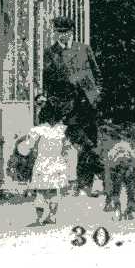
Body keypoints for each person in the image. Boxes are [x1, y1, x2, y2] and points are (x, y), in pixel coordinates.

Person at [41, 15, 103, 195]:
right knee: (83, 145)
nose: (63, 36)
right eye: (59, 32)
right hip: (68, 108)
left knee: (91, 143)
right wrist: (54, 103)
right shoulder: (50, 53)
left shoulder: (83, 49)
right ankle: (98, 178)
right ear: (55, 33)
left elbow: (97, 73)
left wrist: (97, 93)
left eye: (66, 32)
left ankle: (86, 185)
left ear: (72, 32)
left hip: (88, 105)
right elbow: (48, 82)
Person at [22, 97, 72, 226]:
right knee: (54, 191)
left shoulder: (37, 130)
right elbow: (67, 148)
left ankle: (38, 219)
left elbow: (26, 148)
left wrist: (22, 149)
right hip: (57, 163)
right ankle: (52, 216)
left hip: (42, 163)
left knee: (40, 192)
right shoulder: (62, 130)